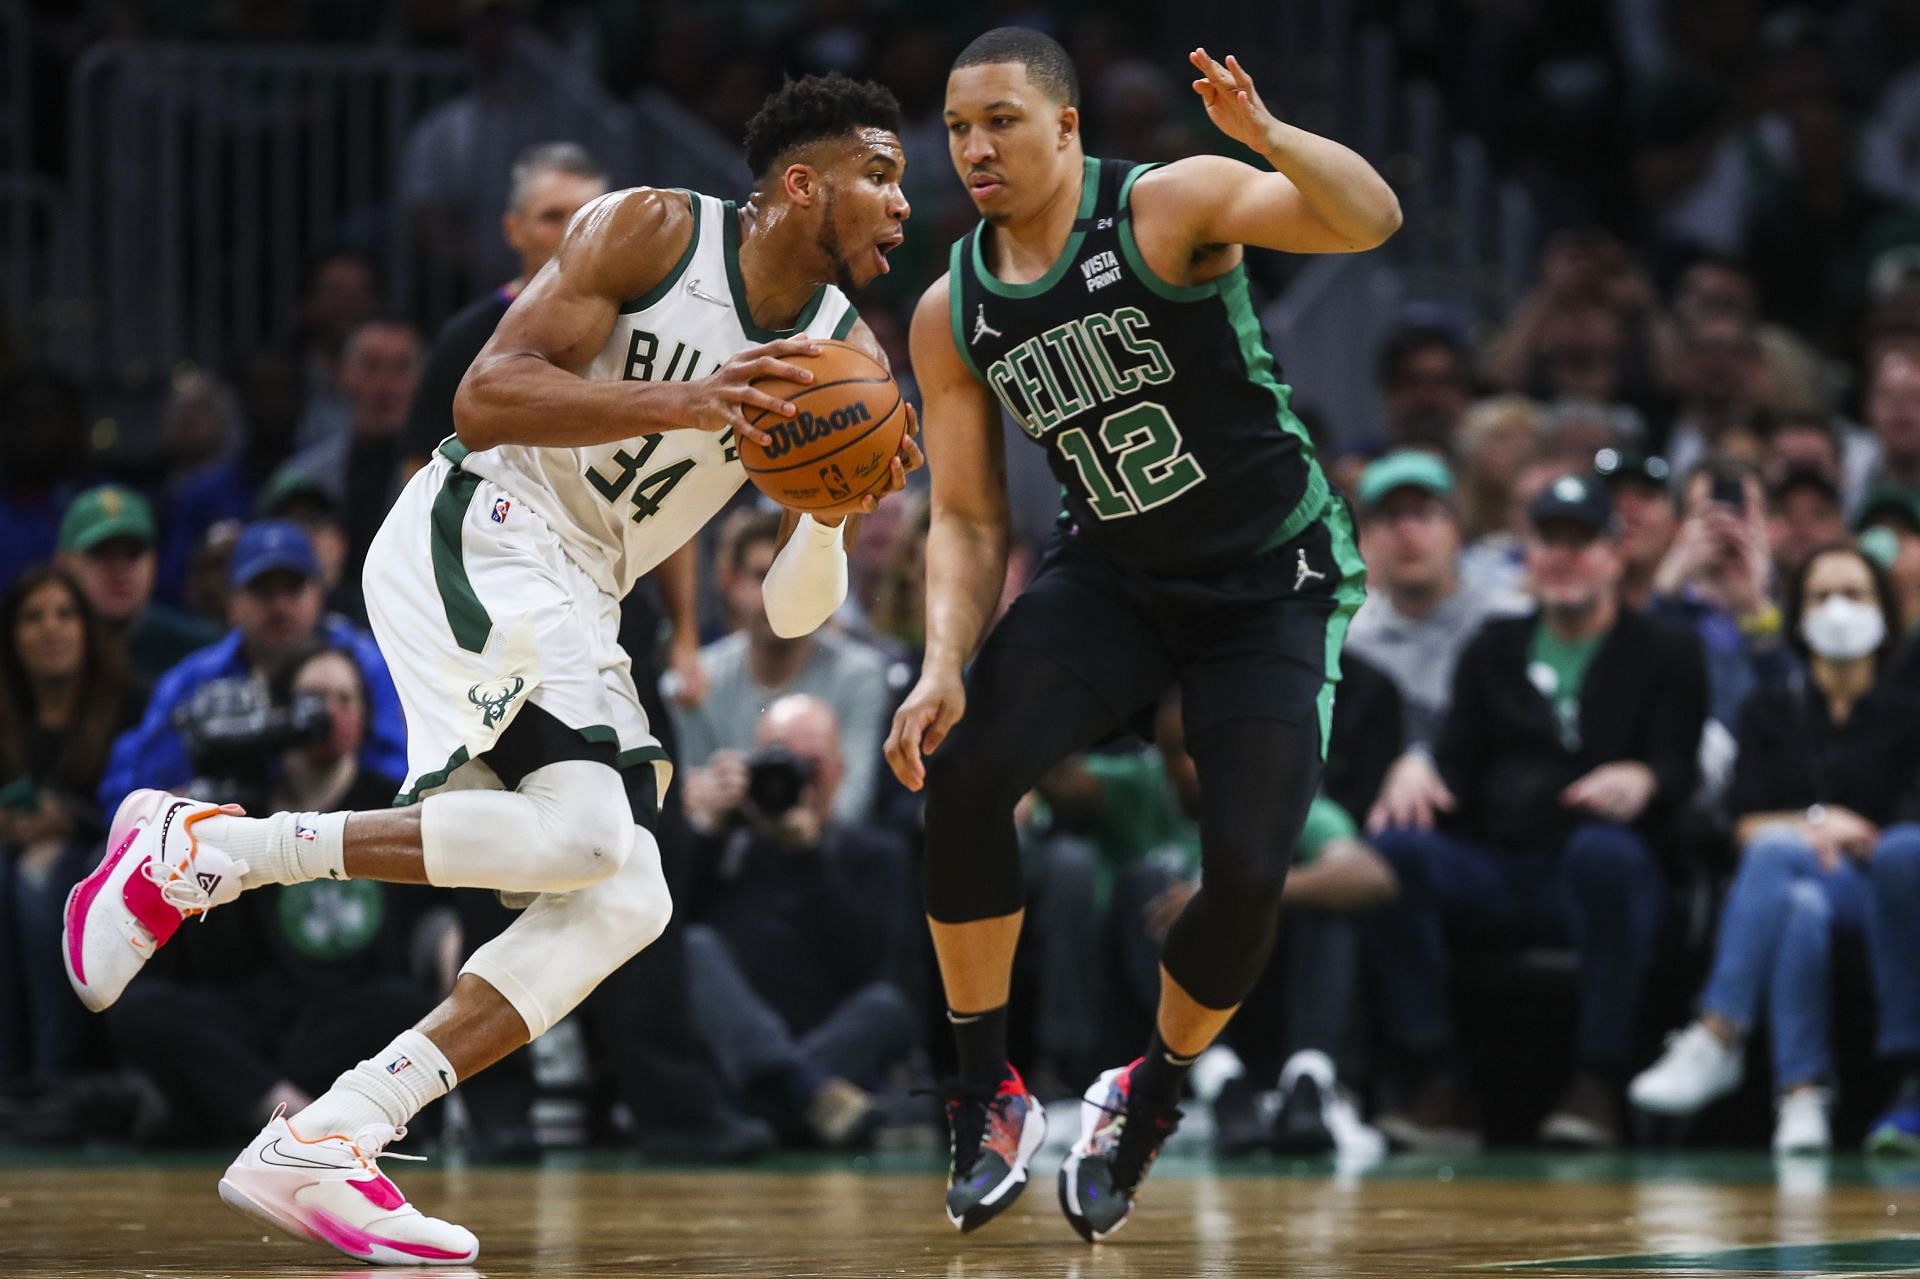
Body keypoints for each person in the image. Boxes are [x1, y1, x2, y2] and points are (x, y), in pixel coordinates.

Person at [64, 72, 917, 1265]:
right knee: (588, 839)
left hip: (585, 588)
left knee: (629, 892)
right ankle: (209, 852)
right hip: (484, 522)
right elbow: (486, 394)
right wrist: (697, 400)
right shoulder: (655, 230)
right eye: (880, 176)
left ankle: (335, 1127)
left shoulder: (842, 354)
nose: (900, 206)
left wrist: (834, 509)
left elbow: (792, 601)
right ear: (800, 183)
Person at [883, 29, 1396, 1240]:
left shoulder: (1168, 208)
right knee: (962, 778)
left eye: (1001, 120)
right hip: (1115, 573)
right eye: (959, 128)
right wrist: (943, 661)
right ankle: (986, 1092)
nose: (975, 148)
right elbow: (963, 513)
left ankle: (1147, 1093)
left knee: (1250, 880)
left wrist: (1268, 137)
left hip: (1272, 578)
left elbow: (1369, 219)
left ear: (1066, 126)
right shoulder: (951, 309)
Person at [1364, 475, 1708, 1152]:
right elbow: (1455, 764)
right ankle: (1439, 1080)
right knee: (1396, 851)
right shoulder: (1493, 647)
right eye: (1550, 541)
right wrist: (1416, 762)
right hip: (1504, 865)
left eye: (1582, 542)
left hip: (1611, 871)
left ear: (1615, 554)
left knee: (1602, 854)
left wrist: (1643, 775)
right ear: (1528, 554)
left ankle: (1598, 1082)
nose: (1564, 557)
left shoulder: (1666, 649)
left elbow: (1681, 768)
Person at [1629, 544, 1920, 1155]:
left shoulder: (1910, 713)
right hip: (1808, 886)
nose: (1838, 609)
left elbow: (1895, 838)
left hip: (1883, 898)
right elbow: (1737, 824)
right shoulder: (1770, 708)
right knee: (1798, 904)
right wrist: (1818, 822)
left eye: (1855, 594)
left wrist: (1805, 831)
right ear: (1797, 614)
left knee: (1776, 857)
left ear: (1885, 613)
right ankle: (1802, 1095)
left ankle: (1718, 1032)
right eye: (1821, 596)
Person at [681, 695, 915, 1148]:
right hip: (732, 1041)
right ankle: (804, 1095)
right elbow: (663, 930)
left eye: (813, 766)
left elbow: (867, 966)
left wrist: (810, 858)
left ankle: (771, 1098)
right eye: (779, 761)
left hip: (826, 1038)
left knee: (887, 1005)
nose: (795, 779)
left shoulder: (874, 853)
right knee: (694, 947)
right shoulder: (725, 841)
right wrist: (703, 830)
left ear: (841, 771)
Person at [95, 520, 407, 816]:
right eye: (263, 590)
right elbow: (132, 783)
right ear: (232, 601)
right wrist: (164, 806)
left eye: (293, 588)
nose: (280, 606)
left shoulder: (365, 663)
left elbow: (404, 768)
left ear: (318, 594)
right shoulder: (193, 681)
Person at [0, 568, 143, 1089]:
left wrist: (70, 822)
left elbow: (141, 806)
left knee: (40, 881)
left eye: (65, 614)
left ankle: (54, 1074)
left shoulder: (128, 703)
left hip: (99, 857)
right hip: (14, 857)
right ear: (11, 635)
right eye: (33, 617)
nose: (51, 628)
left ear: (87, 628)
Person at [670, 509, 892, 824]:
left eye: (797, 578)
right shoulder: (696, 679)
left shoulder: (861, 676)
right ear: (731, 582)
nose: (779, 594)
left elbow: (854, 804)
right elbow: (681, 801)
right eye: (763, 575)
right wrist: (702, 803)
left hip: (827, 853)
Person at [1346, 451, 1527, 752]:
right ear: (1367, 537)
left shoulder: (1508, 620)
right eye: (1391, 516)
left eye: (1423, 514)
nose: (1407, 531)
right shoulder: (1349, 638)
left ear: (1456, 529)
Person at [54, 484, 222, 684]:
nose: (119, 569)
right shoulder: (40, 651)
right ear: (63, 564)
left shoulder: (205, 652)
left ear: (154, 562)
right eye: (101, 553)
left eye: (133, 553)